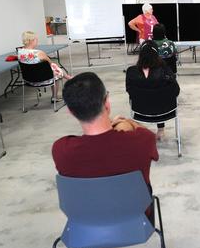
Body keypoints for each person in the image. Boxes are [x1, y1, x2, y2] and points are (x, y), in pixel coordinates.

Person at [52, 72, 159, 222]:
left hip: (85, 224)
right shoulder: (143, 140)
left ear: (71, 112)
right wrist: (126, 122)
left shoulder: (61, 149)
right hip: (137, 222)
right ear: (107, 104)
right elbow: (146, 134)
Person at [126, 41, 180, 141]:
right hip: (166, 111)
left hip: (140, 111)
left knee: (152, 96)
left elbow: (130, 91)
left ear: (140, 55)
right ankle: (161, 130)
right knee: (159, 96)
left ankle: (139, 133)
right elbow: (176, 91)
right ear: (157, 54)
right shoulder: (165, 71)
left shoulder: (131, 72)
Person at [17, 31, 72, 101]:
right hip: (43, 80)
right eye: (36, 39)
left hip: (29, 80)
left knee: (54, 70)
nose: (37, 41)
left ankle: (67, 77)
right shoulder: (39, 53)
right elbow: (51, 64)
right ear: (32, 41)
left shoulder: (20, 52)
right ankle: (54, 97)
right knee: (56, 72)